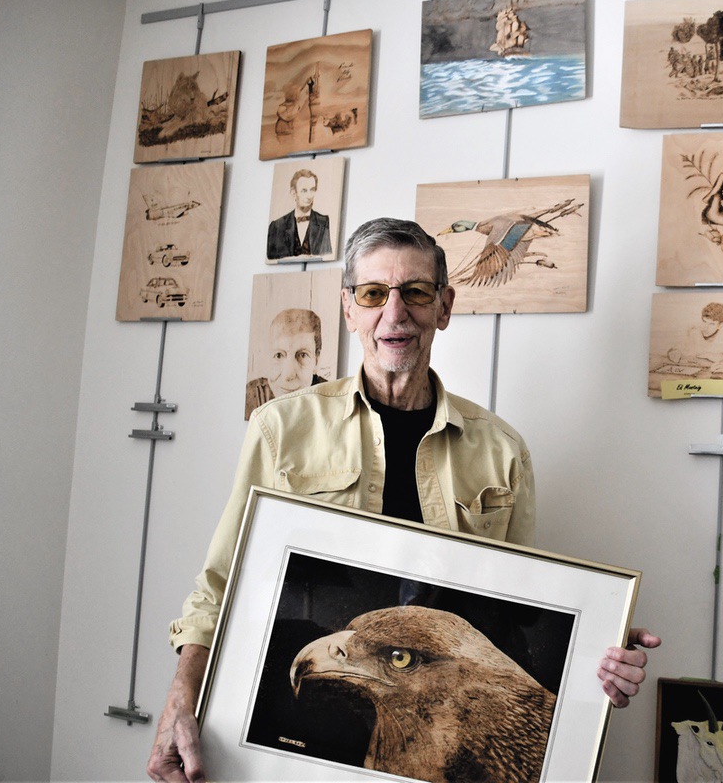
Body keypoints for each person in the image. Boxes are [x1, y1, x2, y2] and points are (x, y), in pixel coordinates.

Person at [148, 217, 660, 782]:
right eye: (373, 293)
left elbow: (518, 619)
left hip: (437, 750)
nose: (395, 314)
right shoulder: (280, 429)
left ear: (444, 307)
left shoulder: (502, 451)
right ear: (349, 309)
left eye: (415, 293)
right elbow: (221, 582)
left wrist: (596, 646)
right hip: (287, 741)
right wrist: (181, 697)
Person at [244, 307, 327, 420]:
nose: (288, 375)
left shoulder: (330, 398)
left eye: (302, 355)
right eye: (278, 355)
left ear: (316, 360)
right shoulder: (253, 395)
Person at [267, 169, 331, 260]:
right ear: (293, 193)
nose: (309, 196)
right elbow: (272, 259)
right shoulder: (277, 226)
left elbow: (327, 256)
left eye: (312, 190)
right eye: (304, 190)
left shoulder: (323, 222)